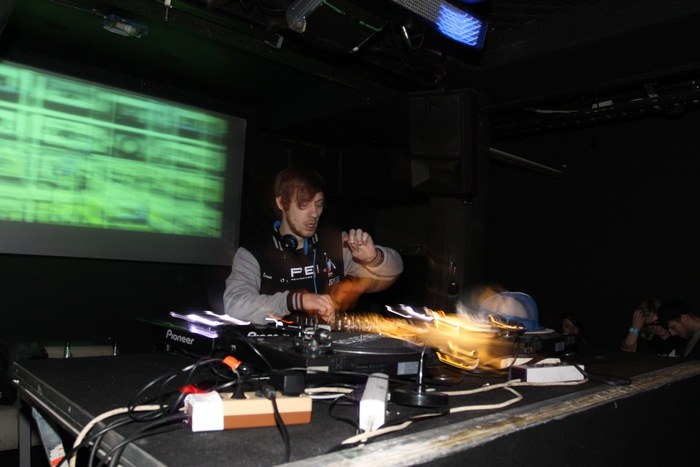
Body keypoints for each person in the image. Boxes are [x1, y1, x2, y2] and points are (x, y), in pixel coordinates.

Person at [223, 166, 403, 325]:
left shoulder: (336, 244)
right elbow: (234, 304)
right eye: (304, 204)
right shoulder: (253, 253)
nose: (314, 213)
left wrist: (374, 258)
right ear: (281, 203)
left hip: (327, 344)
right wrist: (295, 300)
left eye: (318, 204)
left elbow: (394, 271)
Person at [620, 299, 684, 356]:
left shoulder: (681, 336)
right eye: (650, 325)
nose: (655, 327)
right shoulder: (646, 343)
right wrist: (635, 328)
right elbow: (626, 357)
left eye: (657, 322)